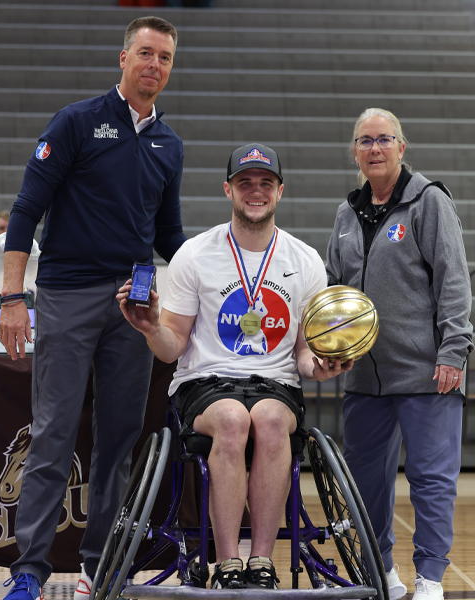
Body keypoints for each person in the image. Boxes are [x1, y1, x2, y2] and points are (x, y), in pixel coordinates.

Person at [0, 16, 185, 600]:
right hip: (67, 294)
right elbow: (26, 209)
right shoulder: (76, 122)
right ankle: (28, 568)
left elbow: (171, 237)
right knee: (53, 432)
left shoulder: (169, 145)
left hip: (132, 304)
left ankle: (98, 566)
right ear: (122, 58)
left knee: (119, 439)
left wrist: (229, 276)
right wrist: (12, 297)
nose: (155, 65)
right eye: (146, 53)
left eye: (165, 58)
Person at [118, 143, 352, 590]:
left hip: (275, 386)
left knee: (266, 419)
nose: (256, 192)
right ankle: (228, 562)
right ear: (228, 189)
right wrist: (150, 328)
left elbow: (303, 353)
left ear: (280, 191)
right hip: (205, 383)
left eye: (266, 183)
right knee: (231, 418)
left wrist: (318, 366)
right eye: (246, 183)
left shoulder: (304, 261)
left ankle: (261, 561)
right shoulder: (194, 254)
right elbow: (172, 350)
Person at [325, 108, 473, 600]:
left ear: (401, 147)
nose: (374, 148)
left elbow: (453, 279)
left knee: (431, 481)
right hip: (365, 377)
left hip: (427, 373)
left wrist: (453, 350)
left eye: (384, 139)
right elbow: (334, 287)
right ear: (355, 152)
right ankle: (381, 572)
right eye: (364, 141)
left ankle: (430, 578)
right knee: (366, 485)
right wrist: (329, 345)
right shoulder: (346, 213)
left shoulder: (428, 202)